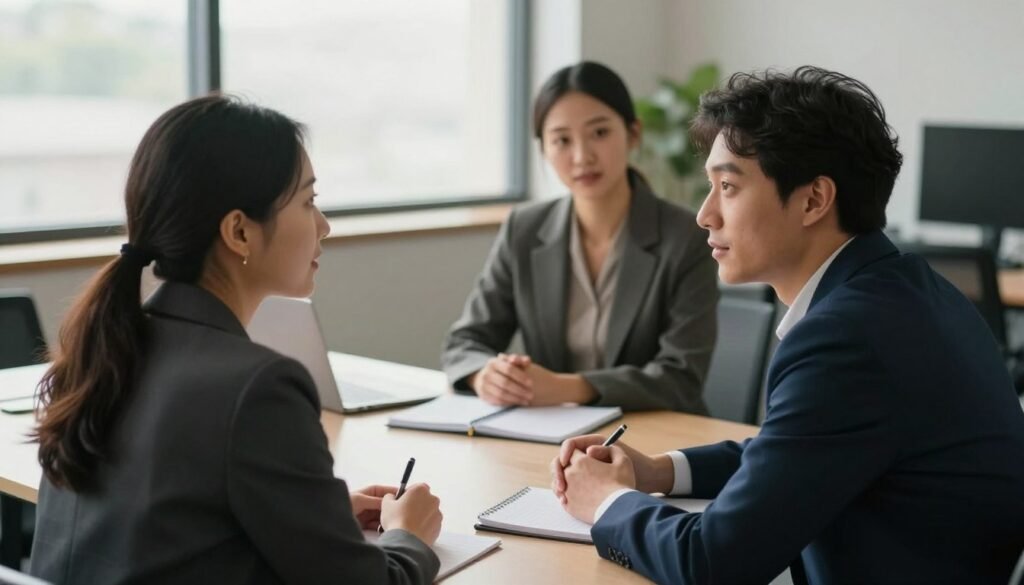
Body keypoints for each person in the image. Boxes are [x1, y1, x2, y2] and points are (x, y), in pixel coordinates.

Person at [551, 66, 1024, 584]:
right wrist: (657, 472)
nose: (704, 215)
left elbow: (710, 563)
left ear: (814, 200)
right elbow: (800, 448)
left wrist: (607, 501)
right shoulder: (904, 288)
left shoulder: (849, 338)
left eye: (728, 186)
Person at [29, 95, 443, 585]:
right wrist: (409, 536)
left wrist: (315, 513)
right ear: (239, 232)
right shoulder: (258, 387)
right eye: (308, 202)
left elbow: (176, 526)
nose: (324, 226)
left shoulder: (105, 350)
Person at [442, 61, 719, 412]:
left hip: (655, 439)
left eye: (599, 133)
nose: (581, 156)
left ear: (633, 134)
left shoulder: (685, 237)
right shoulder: (523, 230)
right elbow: (465, 342)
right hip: (549, 436)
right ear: (543, 149)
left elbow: (682, 377)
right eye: (561, 140)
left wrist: (567, 387)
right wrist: (485, 375)